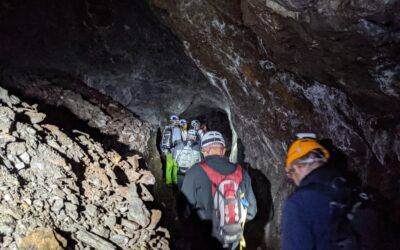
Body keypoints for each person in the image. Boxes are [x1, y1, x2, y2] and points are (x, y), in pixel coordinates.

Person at [281, 134, 385, 250]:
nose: (293, 179)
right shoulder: (351, 186)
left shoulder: (299, 202)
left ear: (298, 166)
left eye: (291, 173)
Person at [181, 131, 257, 250]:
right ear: (223, 150)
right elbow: (251, 211)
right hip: (232, 239)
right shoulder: (242, 172)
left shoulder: (194, 172)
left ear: (205, 150)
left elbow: (184, 211)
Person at [160, 115, 182, 186]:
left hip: (167, 149)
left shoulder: (166, 128)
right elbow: (179, 141)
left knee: (169, 165)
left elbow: (163, 139)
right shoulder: (177, 129)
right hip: (175, 149)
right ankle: (175, 180)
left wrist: (163, 149)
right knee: (175, 165)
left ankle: (168, 181)